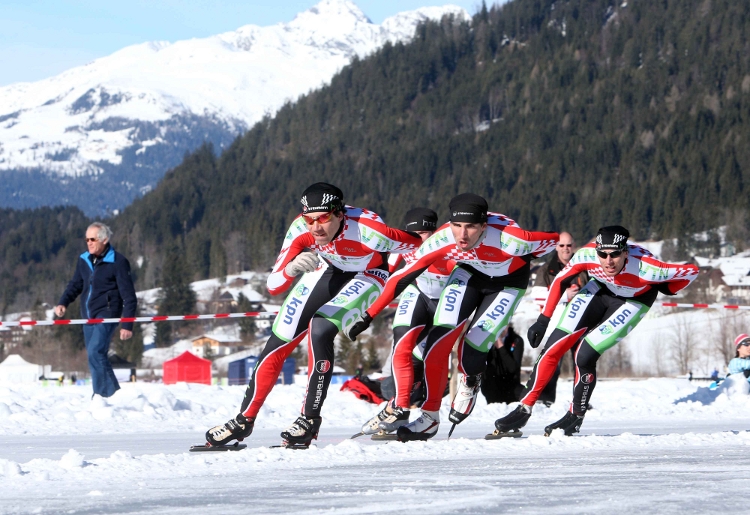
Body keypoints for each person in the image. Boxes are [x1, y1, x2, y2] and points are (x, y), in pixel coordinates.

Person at [205, 183, 422, 448]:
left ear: (340, 214)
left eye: (324, 218)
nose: (316, 227)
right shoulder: (300, 229)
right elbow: (274, 286)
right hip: (329, 269)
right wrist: (292, 268)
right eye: (310, 219)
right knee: (279, 340)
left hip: (370, 273)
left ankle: (309, 420)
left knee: (320, 329)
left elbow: (421, 244)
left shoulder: (369, 230)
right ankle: (244, 420)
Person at [346, 193, 559, 440]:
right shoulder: (444, 238)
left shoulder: (512, 240)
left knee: (472, 347)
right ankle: (428, 418)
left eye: (470, 227)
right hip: (469, 275)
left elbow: (554, 240)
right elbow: (402, 276)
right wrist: (369, 315)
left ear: (484, 226)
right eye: (457, 226)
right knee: (436, 345)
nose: (463, 235)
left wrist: (527, 256)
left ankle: (470, 380)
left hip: (507, 284)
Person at [494, 225, 699, 437]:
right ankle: (523, 409)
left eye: (615, 255)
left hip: (634, 300)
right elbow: (559, 280)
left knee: (584, 354)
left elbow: (692, 271)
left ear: (625, 252)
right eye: (603, 254)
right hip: (599, 290)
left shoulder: (649, 268)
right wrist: (543, 320)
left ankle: (575, 415)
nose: (608, 261)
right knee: (553, 346)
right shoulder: (587, 255)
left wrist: (667, 287)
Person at [357, 207, 455, 437]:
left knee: (427, 360)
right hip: (418, 295)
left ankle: (426, 414)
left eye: (423, 234)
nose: (417, 240)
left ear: (434, 232)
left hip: (446, 301)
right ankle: (397, 407)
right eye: (413, 234)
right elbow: (385, 275)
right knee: (401, 348)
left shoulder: (449, 246)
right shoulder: (404, 245)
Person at [55, 222, 137, 399]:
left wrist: (127, 324)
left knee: (95, 352)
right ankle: (109, 395)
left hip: (107, 314)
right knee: (95, 356)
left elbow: (129, 296)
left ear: (105, 240)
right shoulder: (83, 259)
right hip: (87, 316)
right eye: (87, 239)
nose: (89, 243)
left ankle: (102, 396)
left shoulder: (119, 262)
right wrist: (63, 302)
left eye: (93, 239)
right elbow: (76, 284)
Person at [533, 232, 589, 406]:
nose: (566, 249)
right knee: (551, 362)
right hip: (555, 324)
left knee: (582, 362)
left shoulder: (583, 268)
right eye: (562, 245)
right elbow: (537, 296)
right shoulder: (545, 269)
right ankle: (546, 399)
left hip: (581, 322)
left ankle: (580, 400)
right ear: (556, 247)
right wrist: (564, 295)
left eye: (569, 245)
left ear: (574, 246)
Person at [480, 324, 524, 404]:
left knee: (525, 393)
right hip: (491, 387)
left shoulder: (516, 340)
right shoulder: (487, 340)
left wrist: (500, 347)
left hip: (511, 386)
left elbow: (513, 368)